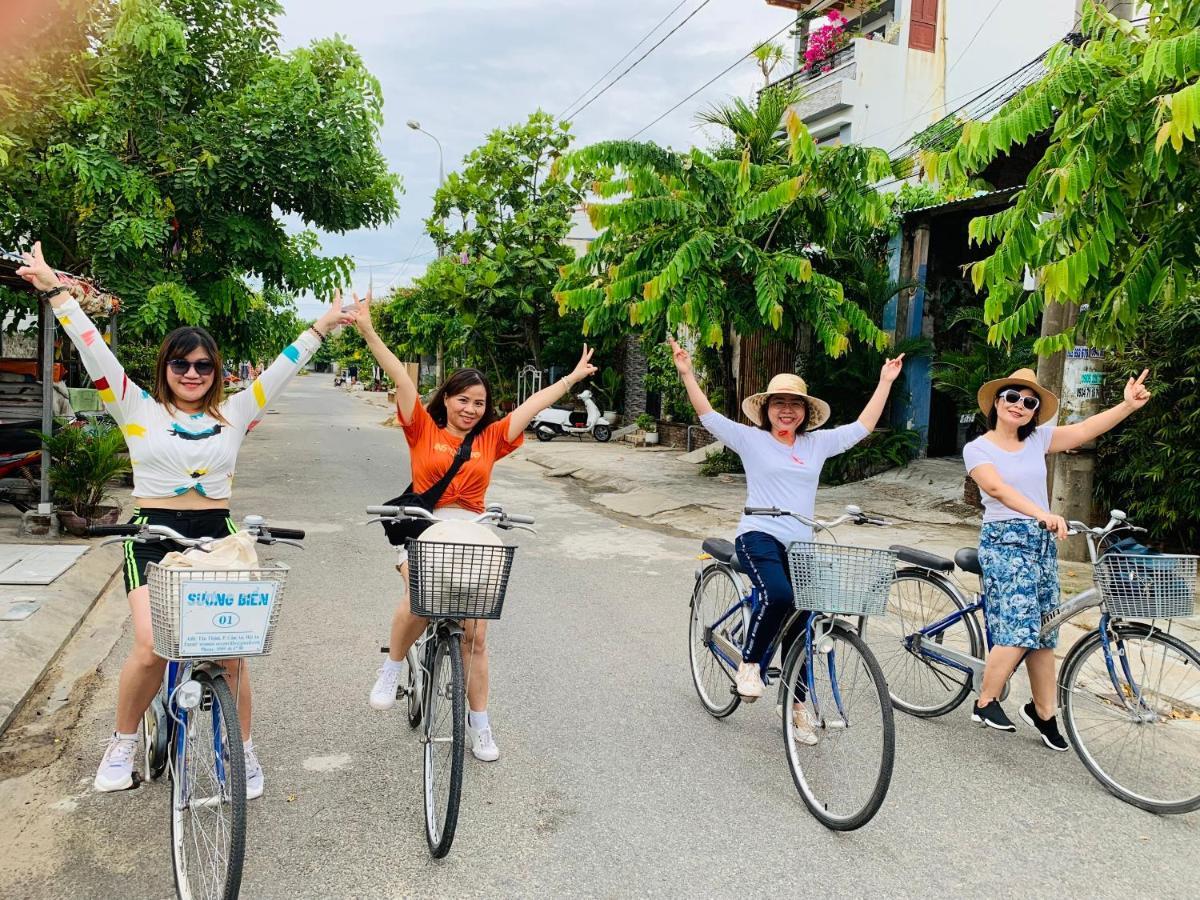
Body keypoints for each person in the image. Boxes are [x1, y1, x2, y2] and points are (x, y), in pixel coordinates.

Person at [16, 241, 350, 795]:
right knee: (150, 646)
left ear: (216, 371)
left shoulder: (236, 413)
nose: (191, 373)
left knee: (233, 656)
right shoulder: (136, 408)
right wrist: (56, 291)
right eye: (180, 363)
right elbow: (94, 350)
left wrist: (323, 325)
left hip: (218, 539)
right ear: (165, 368)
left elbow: (285, 369)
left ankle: (241, 752)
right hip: (152, 538)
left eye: (202, 365)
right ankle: (121, 744)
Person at [346, 291, 597, 761]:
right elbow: (401, 375)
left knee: (476, 636)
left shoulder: (493, 439)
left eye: (480, 402)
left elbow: (533, 405)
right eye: (463, 399)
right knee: (421, 598)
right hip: (424, 526)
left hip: (474, 532)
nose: (471, 408)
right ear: (447, 399)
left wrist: (571, 378)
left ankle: (479, 725)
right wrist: (366, 329)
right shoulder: (421, 427)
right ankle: (391, 666)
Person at [670, 337, 904, 743]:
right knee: (778, 595)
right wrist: (688, 373)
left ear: (805, 412)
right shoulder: (751, 439)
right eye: (778, 403)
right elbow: (708, 416)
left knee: (804, 624)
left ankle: (796, 706)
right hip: (758, 534)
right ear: (766, 409)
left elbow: (861, 427)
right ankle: (750, 664)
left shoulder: (816, 444)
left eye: (794, 405)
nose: (786, 411)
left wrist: (885, 381)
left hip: (801, 545)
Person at [963, 367, 1151, 749]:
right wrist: (1039, 512)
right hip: (1005, 542)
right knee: (1022, 625)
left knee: (1046, 630)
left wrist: (1127, 406)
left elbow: (1086, 429)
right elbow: (996, 488)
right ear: (997, 402)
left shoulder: (1039, 440)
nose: (1020, 405)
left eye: (1029, 402)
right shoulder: (978, 447)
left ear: (1035, 411)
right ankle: (985, 701)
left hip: (1042, 543)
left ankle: (1044, 712)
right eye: (1012, 397)